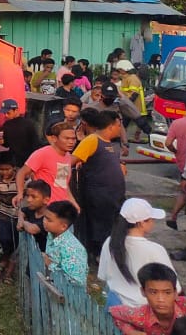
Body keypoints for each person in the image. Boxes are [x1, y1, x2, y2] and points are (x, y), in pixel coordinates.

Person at [100, 199, 179, 308]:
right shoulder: (155, 250)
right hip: (142, 310)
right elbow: (174, 287)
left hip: (114, 307)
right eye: (151, 219)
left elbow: (103, 276)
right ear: (141, 223)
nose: (153, 222)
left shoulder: (110, 242)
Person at [73, 108, 128, 256]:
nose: (120, 129)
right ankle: (98, 256)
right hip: (99, 196)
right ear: (111, 126)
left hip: (113, 196)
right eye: (118, 125)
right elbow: (72, 161)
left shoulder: (109, 143)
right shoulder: (92, 140)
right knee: (100, 229)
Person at [110, 263, 186, 335]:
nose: (161, 299)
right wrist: (130, 331)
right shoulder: (140, 316)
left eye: (167, 292)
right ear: (143, 292)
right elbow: (113, 312)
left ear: (175, 293)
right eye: (153, 292)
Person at [17, 121, 79, 210]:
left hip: (62, 208)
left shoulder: (67, 156)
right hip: (45, 209)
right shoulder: (42, 153)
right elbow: (22, 173)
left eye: (73, 139)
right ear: (54, 138)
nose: (71, 142)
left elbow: (62, 183)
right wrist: (20, 193)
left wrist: (73, 202)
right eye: (67, 138)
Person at [43, 200, 88, 287]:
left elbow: (76, 281)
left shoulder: (72, 249)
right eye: (45, 217)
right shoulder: (51, 234)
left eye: (49, 220)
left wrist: (50, 264)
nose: (44, 221)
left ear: (63, 226)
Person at [0, 152, 20, 280]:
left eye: (7, 169)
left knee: (16, 240)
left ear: (14, 167)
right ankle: (5, 258)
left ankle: (10, 262)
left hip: (18, 215)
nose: (5, 172)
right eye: (1, 169)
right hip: (4, 214)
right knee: (4, 239)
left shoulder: (20, 178)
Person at [0, 98, 42, 167]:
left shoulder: (27, 124)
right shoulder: (7, 125)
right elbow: (7, 144)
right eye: (4, 113)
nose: (6, 115)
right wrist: (1, 142)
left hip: (27, 161)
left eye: (8, 113)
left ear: (16, 110)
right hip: (15, 161)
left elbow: (35, 143)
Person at [166, 112, 186, 230]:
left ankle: (173, 217)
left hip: (183, 162)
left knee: (184, 190)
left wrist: (175, 151)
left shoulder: (177, 123)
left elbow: (168, 143)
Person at [19, 179, 53, 252]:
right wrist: (20, 219)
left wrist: (23, 223)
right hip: (34, 254)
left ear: (46, 200)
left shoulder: (49, 218)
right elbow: (21, 211)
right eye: (27, 196)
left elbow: (33, 229)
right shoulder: (32, 210)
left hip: (46, 257)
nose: (28, 200)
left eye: (33, 197)